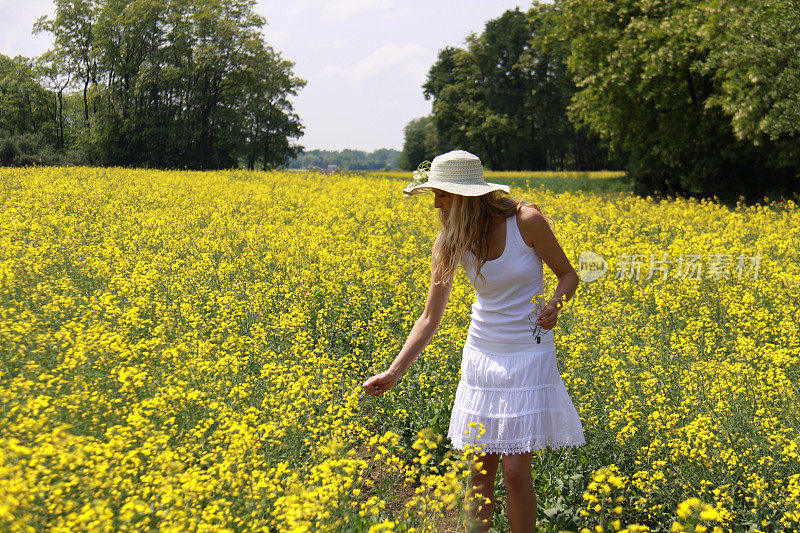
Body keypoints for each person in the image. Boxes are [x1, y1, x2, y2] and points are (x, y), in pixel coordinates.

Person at [362, 150, 585, 532]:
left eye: (442, 195)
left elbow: (568, 275)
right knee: (480, 472)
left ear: (465, 195)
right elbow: (431, 317)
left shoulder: (526, 222)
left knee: (516, 471)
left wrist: (554, 305)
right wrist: (394, 371)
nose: (436, 203)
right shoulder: (448, 241)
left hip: (528, 354)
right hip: (482, 355)